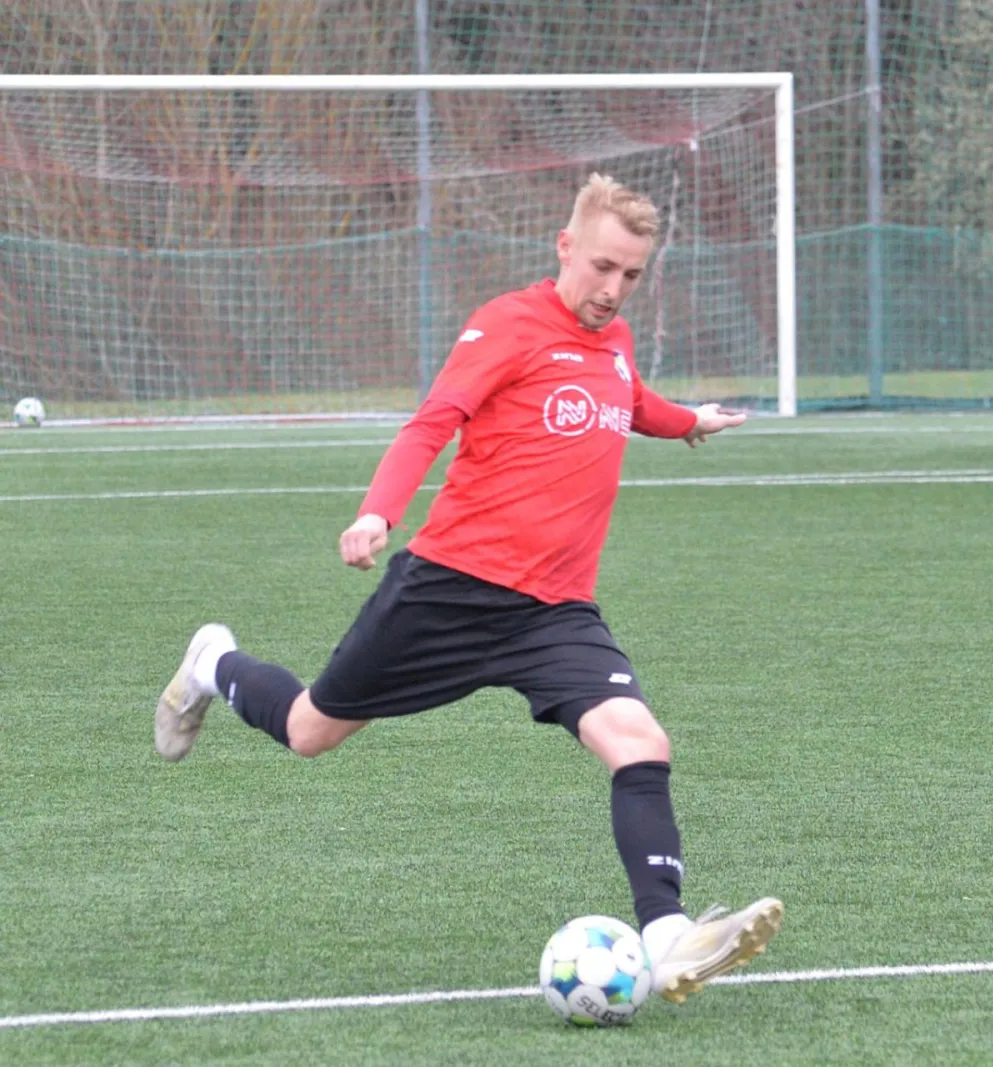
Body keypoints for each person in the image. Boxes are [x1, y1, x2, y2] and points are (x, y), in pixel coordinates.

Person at [154, 173, 782, 1004]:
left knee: (640, 742)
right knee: (310, 730)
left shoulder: (617, 339)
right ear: (565, 247)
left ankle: (669, 937)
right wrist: (377, 513)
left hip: (554, 609)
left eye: (632, 274)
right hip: (449, 591)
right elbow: (432, 422)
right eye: (602, 267)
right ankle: (213, 662)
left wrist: (687, 421)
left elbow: (630, 399)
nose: (613, 288)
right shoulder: (509, 323)